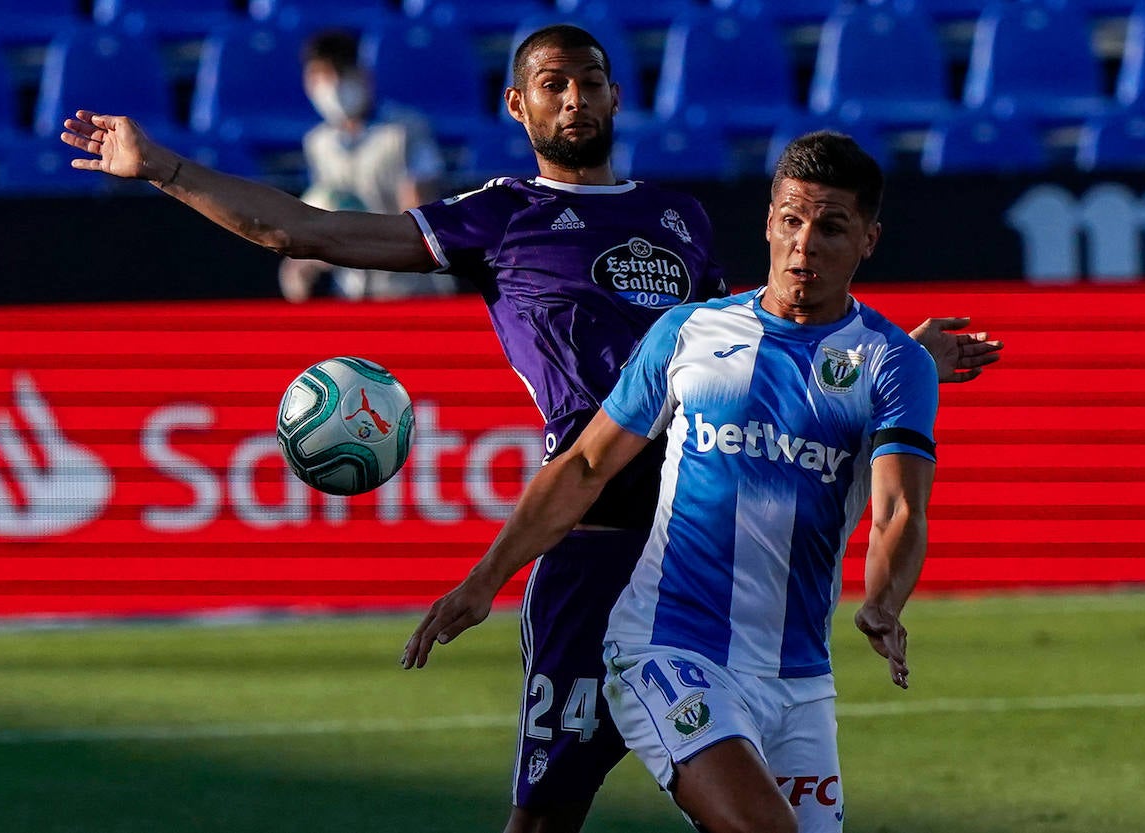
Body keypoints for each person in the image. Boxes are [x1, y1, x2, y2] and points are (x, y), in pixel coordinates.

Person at [59, 24, 1000, 833]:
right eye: (553, 84)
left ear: (617, 95)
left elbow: (752, 343)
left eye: (589, 81)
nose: (574, 98)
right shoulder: (502, 216)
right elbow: (304, 232)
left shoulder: (677, 217)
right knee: (548, 812)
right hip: (592, 543)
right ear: (518, 105)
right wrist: (165, 169)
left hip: (711, 558)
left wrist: (885, 356)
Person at [403, 130, 933, 833]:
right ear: (769, 221)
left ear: (869, 239)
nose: (804, 244)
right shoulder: (691, 333)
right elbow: (585, 465)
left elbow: (898, 508)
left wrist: (884, 601)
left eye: (831, 227)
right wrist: (484, 579)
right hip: (668, 648)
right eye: (791, 220)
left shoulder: (893, 363)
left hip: (798, 676)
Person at [279, 29, 455, 301]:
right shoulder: (317, 143)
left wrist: (359, 239)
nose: (331, 86)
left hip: (409, 291)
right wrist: (305, 259)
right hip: (351, 294)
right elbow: (324, 205)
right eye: (319, 77)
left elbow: (421, 215)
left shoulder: (405, 130)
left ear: (362, 75)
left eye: (339, 73)